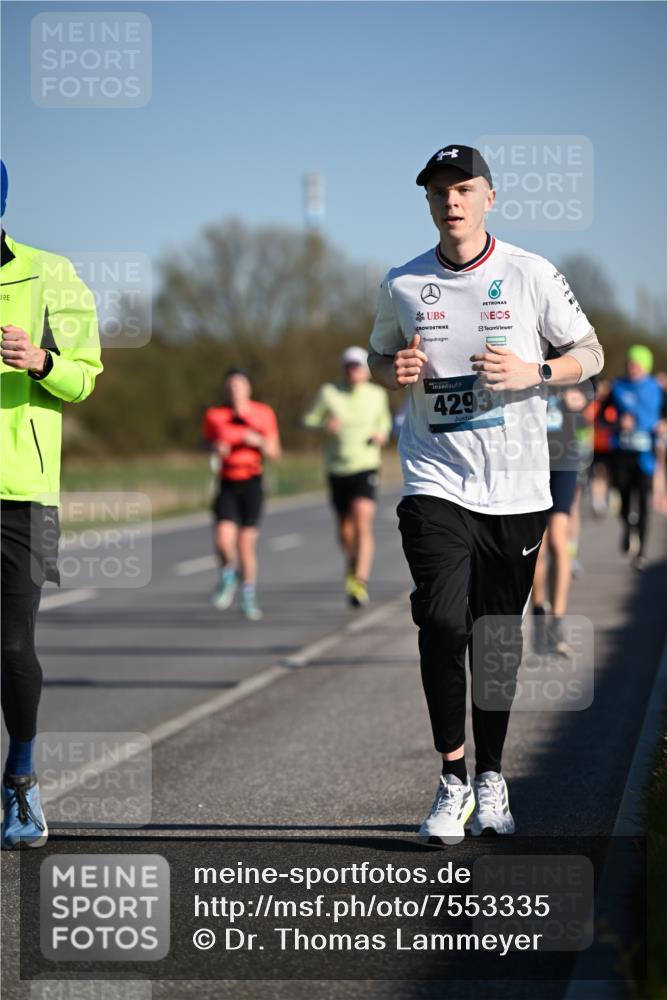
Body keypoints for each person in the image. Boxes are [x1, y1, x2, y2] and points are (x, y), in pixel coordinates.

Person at [368, 144, 604, 845]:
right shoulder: (401, 282)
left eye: (462, 188)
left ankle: (491, 775)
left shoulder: (529, 273)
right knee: (442, 623)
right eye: (438, 190)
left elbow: (590, 355)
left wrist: (533, 369)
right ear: (428, 202)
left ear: (488, 197)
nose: (450, 200)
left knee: (495, 639)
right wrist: (395, 366)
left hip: (518, 487)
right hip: (435, 479)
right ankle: (450, 777)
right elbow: (380, 353)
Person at [0, 160, 103, 848]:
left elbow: (84, 378)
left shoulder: (48, 274)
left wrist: (41, 361)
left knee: (11, 645)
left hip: (22, 495)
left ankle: (23, 780)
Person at [303, 346, 392, 607]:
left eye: (358, 366)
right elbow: (308, 419)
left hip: (366, 465)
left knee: (363, 519)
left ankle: (359, 581)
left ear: (366, 371)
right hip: (337, 468)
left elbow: (384, 422)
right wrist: (323, 424)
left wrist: (381, 434)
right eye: (349, 366)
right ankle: (352, 564)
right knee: (345, 529)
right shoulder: (328, 392)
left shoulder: (377, 394)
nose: (353, 371)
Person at [202, 368, 281, 620]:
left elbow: (275, 452)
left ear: (248, 388)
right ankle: (228, 575)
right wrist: (216, 448)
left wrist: (258, 441)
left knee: (245, 544)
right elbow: (207, 444)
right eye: (230, 385)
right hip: (226, 482)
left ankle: (248, 595)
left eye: (239, 385)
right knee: (222, 540)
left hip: (252, 482)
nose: (234, 389)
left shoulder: (263, 413)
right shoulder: (215, 415)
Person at [532, 383, 591, 656]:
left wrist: (579, 397)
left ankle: (557, 620)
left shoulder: (571, 352)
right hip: (531, 463)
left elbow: (591, 386)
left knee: (557, 537)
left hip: (563, 462)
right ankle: (538, 611)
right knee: (537, 544)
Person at [608, 345, 665, 570]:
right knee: (622, 501)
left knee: (642, 503)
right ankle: (627, 526)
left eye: (637, 364)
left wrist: (662, 424)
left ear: (646, 366)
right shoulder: (617, 387)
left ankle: (641, 552)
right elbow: (602, 415)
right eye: (630, 363)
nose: (632, 368)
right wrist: (616, 423)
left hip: (645, 455)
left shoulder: (656, 388)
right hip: (621, 453)